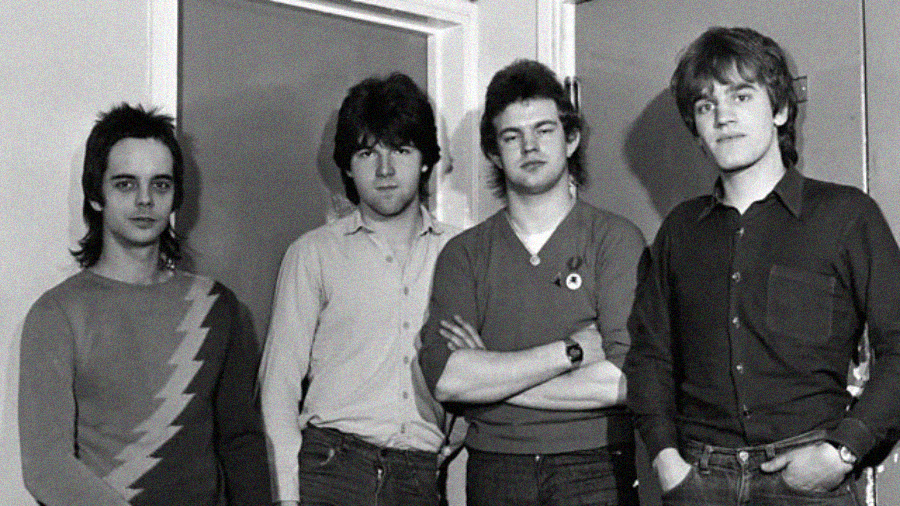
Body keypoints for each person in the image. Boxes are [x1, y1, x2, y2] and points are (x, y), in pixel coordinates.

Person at [624, 26, 900, 505]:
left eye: (741, 95)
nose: (723, 117)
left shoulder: (846, 216)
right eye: (706, 105)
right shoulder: (679, 231)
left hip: (809, 480)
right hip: (698, 480)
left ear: (780, 109)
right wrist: (666, 461)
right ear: (696, 129)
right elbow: (650, 357)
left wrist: (844, 451)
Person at [18, 103, 271, 506]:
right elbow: (47, 467)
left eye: (160, 185)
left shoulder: (218, 308)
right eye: (125, 184)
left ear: (175, 198)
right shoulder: (56, 315)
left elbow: (240, 444)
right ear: (96, 195)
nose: (144, 200)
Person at [419, 59, 644, 506]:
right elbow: (447, 380)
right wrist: (570, 352)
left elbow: (624, 381)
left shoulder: (616, 240)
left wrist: (493, 377)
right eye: (512, 136)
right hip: (497, 469)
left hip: (594, 464)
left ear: (571, 138)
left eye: (544, 130)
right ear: (493, 152)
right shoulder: (463, 254)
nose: (530, 147)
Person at [259, 73, 460, 506]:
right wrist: (287, 498)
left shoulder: (461, 253)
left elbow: (487, 366)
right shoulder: (313, 253)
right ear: (349, 165)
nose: (385, 170)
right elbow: (278, 387)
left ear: (425, 159)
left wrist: (457, 435)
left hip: (420, 476)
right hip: (332, 470)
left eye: (401, 151)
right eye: (368, 153)